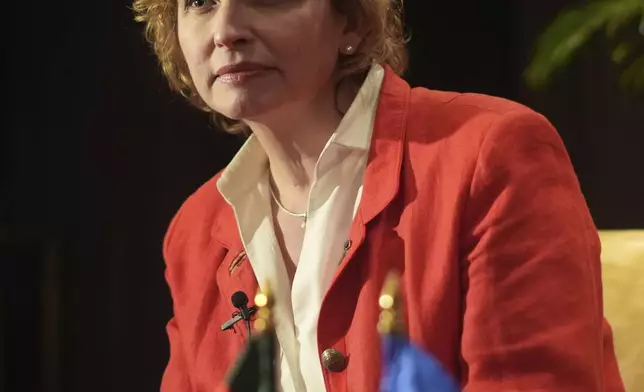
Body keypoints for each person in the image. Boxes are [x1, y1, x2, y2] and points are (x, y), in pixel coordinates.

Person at [132, 0, 625, 391]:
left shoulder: (490, 156)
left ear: (349, 21)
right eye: (199, 2)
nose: (226, 29)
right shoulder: (194, 234)